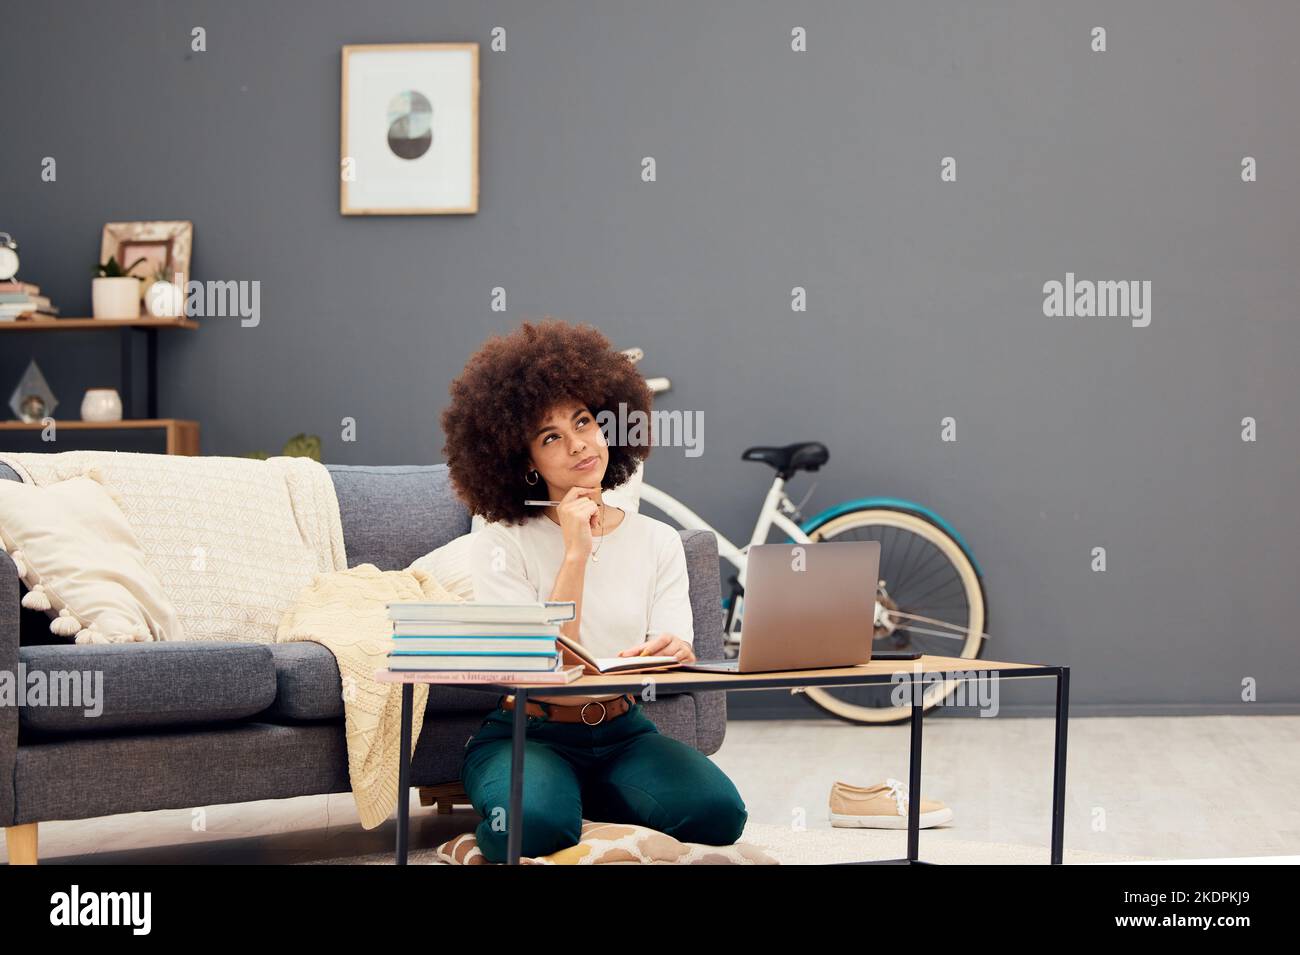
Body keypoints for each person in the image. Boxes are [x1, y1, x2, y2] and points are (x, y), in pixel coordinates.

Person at [440, 318, 748, 862]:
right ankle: (537, 797)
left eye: (583, 421)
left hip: (622, 729)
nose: (579, 444)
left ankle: (580, 797)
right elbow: (539, 664)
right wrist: (575, 553)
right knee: (530, 830)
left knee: (719, 815)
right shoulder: (499, 542)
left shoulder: (657, 541)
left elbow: (673, 644)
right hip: (528, 730)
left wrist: (673, 651)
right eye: (550, 436)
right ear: (524, 461)